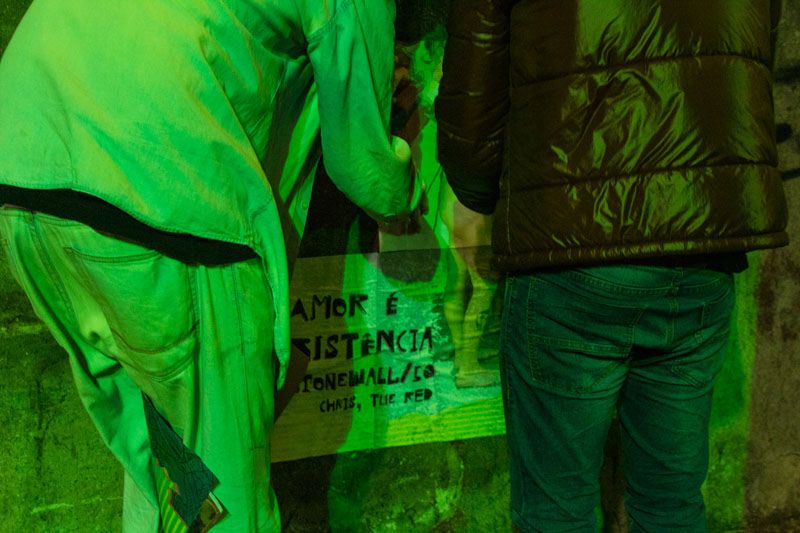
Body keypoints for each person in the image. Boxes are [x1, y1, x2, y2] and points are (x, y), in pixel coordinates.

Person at [0, 1, 422, 531]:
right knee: (228, 505)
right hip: (160, 201)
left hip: (24, 173)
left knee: (170, 470)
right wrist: (405, 190)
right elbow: (365, 166)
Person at [436, 0, 787, 531]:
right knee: (671, 504)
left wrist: (482, 198)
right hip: (703, 234)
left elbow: (473, 85)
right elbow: (753, 52)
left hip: (570, 232)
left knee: (556, 512)